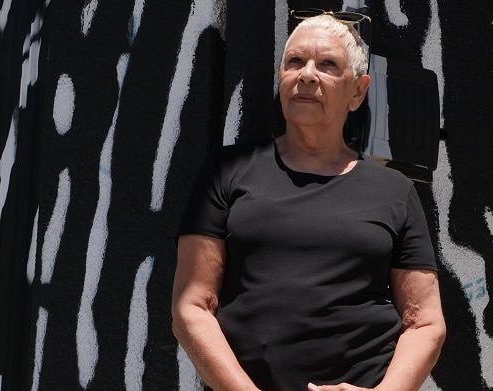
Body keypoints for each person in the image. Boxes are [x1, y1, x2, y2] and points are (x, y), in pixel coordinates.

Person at [171, 12, 446, 391]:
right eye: (295, 61)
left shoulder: (394, 191)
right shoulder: (229, 170)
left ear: (358, 91)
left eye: (328, 64)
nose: (306, 74)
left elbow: (426, 323)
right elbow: (191, 307)